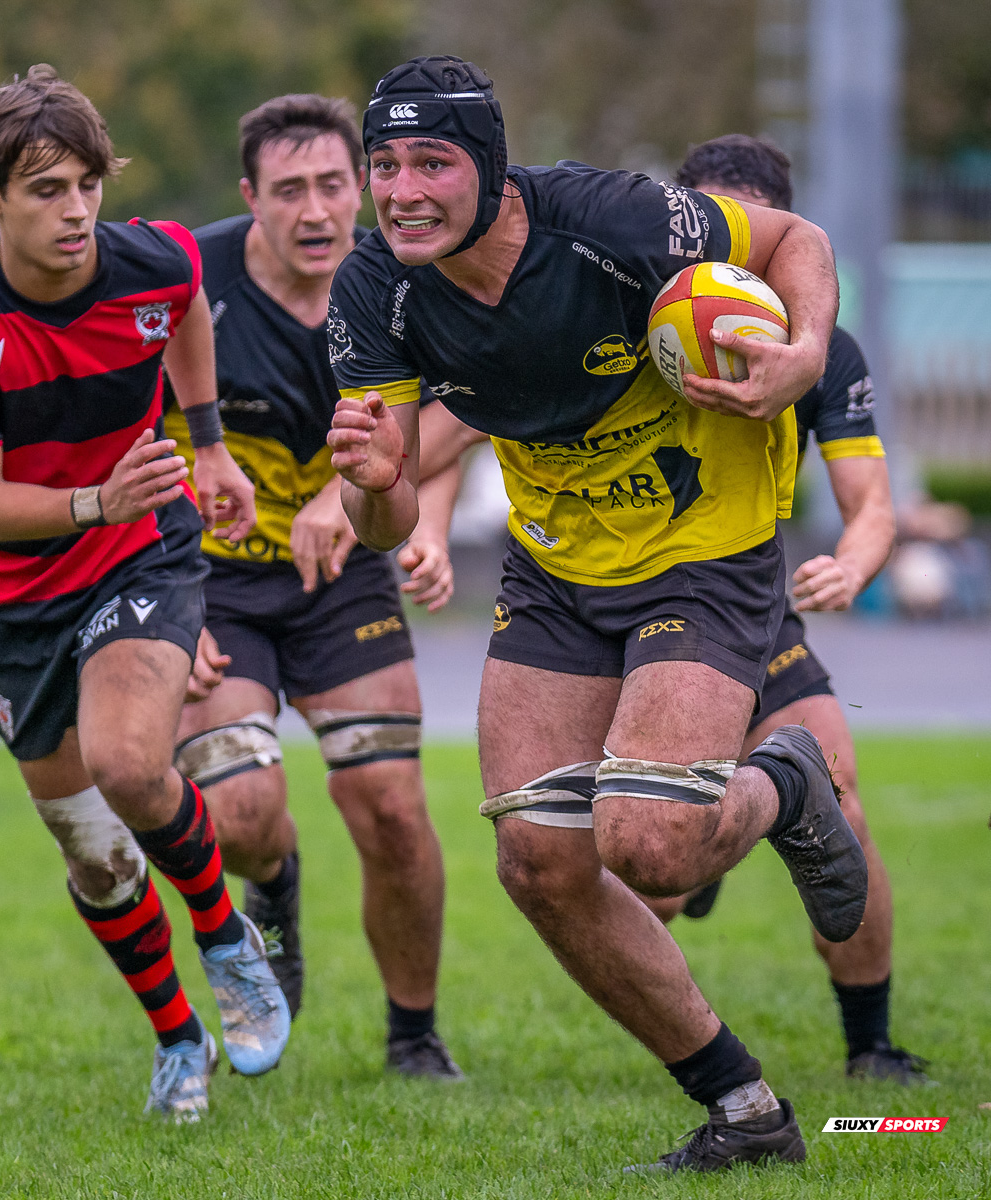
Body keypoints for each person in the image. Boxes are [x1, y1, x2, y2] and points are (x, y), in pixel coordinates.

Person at [325, 56, 868, 1172]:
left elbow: (794, 240)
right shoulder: (373, 286)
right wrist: (377, 482)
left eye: (432, 162)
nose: (403, 189)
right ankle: (745, 1113)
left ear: (487, 164)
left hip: (703, 554)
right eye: (383, 164)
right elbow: (376, 531)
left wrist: (804, 355)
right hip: (556, 571)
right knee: (537, 859)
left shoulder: (609, 217)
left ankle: (784, 782)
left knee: (653, 849)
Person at [0, 65, 288, 1124]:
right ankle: (178, 1039)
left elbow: (190, 311)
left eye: (85, 184)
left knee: (129, 763)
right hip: (17, 586)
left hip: (142, 553)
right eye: (44, 189)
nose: (75, 211)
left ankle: (226, 936)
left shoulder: (152, 258)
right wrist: (94, 498)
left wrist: (206, 445)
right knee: (91, 846)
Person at [160, 94, 465, 1079]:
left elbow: (478, 405)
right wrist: (159, 607)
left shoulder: (406, 281)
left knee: (391, 806)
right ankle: (276, 888)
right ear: (250, 198)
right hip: (214, 589)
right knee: (241, 813)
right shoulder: (184, 285)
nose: (317, 209)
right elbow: (110, 428)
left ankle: (413, 1035)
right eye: (289, 189)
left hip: (342, 582)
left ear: (362, 189)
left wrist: (385, 496)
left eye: (335, 184)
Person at [627, 133, 927, 1084]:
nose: (722, 262)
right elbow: (472, 419)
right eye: (705, 235)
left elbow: (871, 504)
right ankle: (718, 848)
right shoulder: (623, 317)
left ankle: (872, 1048)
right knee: (654, 874)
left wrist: (853, 563)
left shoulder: (820, 346)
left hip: (748, 603)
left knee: (841, 797)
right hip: (622, 607)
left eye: (745, 240)